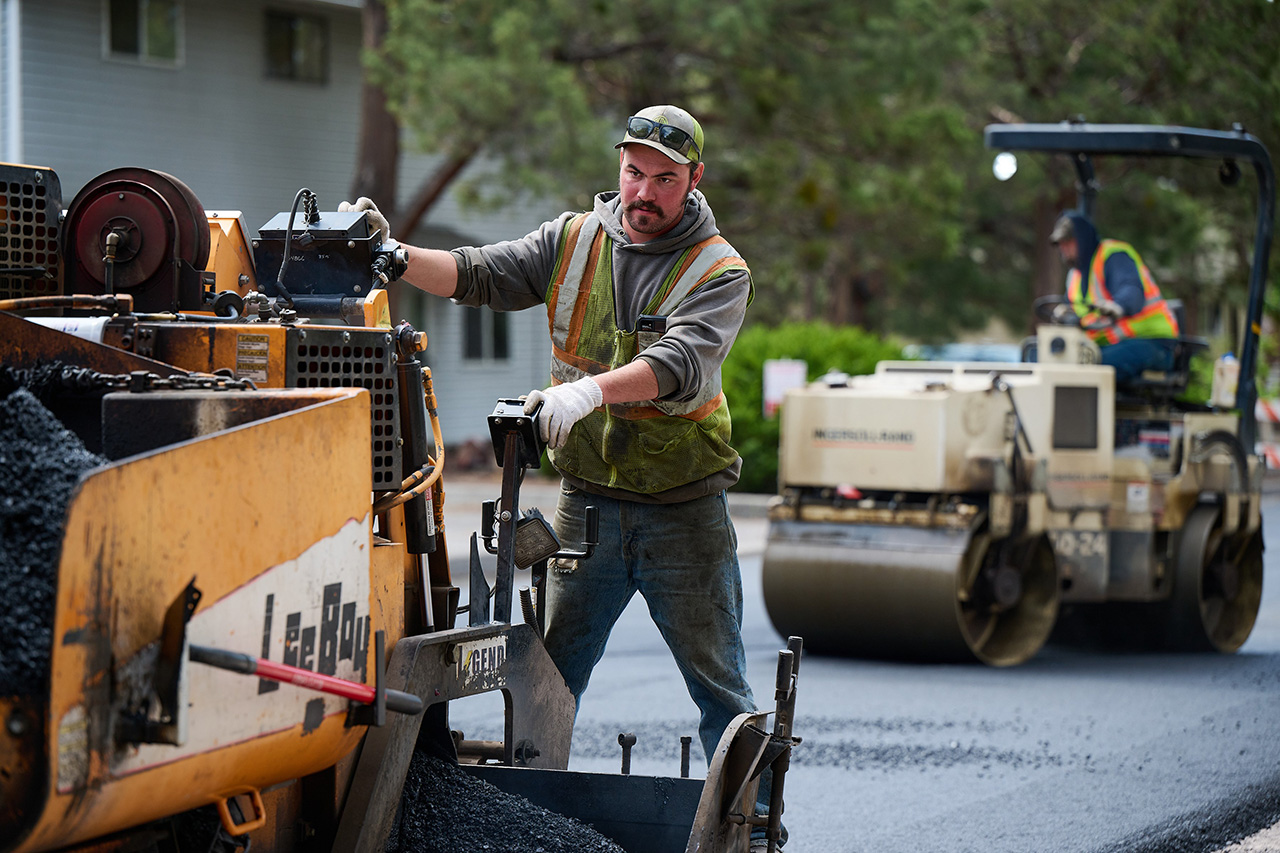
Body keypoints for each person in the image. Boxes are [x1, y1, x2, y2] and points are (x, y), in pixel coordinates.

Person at [342, 104, 785, 851]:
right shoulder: (575, 239)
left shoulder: (719, 269)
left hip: (684, 512)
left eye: (664, 180)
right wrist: (395, 255)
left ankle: (754, 832)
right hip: (587, 511)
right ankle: (533, 833)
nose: (644, 192)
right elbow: (482, 273)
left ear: (694, 181)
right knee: (546, 687)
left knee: (721, 692)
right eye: (634, 172)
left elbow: (679, 364)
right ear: (619, 166)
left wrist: (587, 391)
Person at [1048, 211, 1180, 383]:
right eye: (1060, 244)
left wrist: (1118, 305)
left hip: (1153, 342)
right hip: (1112, 345)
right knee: (1049, 358)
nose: (1063, 249)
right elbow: (1075, 311)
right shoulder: (1074, 276)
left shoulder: (1112, 255)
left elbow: (1131, 289)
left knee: (1096, 364)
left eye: (1068, 242)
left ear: (1082, 238)